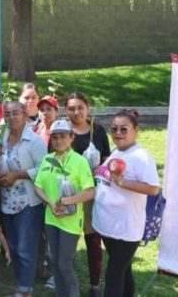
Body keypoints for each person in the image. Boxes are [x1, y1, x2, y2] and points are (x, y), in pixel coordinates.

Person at [93, 109, 160, 297]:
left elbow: (153, 188)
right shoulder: (116, 151)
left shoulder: (141, 156)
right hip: (109, 225)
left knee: (114, 274)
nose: (118, 133)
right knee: (124, 270)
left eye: (124, 129)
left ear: (136, 130)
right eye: (114, 129)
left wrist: (123, 182)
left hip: (127, 228)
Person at [34, 120, 95, 297]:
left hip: (71, 220)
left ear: (71, 137)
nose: (59, 140)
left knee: (64, 264)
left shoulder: (79, 161)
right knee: (53, 261)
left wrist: (66, 201)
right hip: (51, 216)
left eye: (63, 136)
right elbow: (38, 187)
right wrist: (51, 203)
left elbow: (90, 192)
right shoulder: (48, 159)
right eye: (55, 137)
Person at [0, 101, 48, 297]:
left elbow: (44, 169)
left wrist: (17, 175)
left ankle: (25, 291)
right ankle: (21, 286)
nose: (12, 118)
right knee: (15, 247)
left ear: (25, 114)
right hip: (7, 200)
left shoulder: (34, 141)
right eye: (7, 114)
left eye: (16, 113)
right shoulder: (6, 136)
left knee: (26, 249)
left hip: (28, 202)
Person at [65, 92, 110, 296]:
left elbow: (108, 158)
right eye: (72, 108)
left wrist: (99, 170)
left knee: (93, 240)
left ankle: (94, 284)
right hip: (69, 193)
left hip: (92, 194)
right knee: (69, 241)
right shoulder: (62, 131)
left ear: (88, 108)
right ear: (66, 111)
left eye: (80, 107)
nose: (76, 112)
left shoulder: (98, 130)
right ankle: (67, 279)